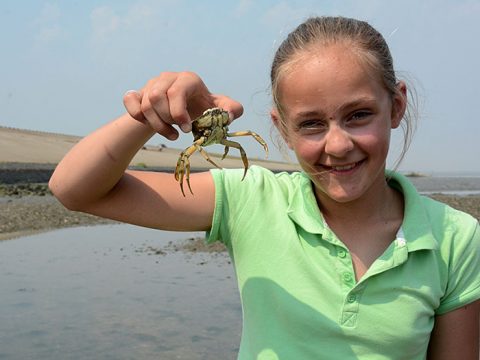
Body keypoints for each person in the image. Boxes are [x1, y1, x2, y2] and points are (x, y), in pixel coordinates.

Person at [49, 16, 480, 359]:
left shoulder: (455, 239)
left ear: (396, 105)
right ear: (282, 129)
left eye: (358, 115)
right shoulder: (250, 197)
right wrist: (149, 115)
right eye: (311, 123)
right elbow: (75, 189)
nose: (337, 144)